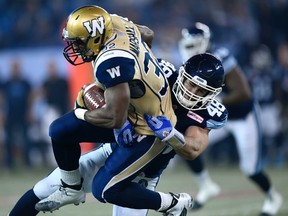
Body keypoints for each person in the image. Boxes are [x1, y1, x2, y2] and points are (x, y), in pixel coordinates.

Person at [9, 53, 228, 216]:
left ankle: (170, 203)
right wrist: (116, 118)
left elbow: (193, 148)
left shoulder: (205, 113)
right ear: (182, 74)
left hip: (142, 177)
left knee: (105, 190)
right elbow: (102, 90)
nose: (193, 92)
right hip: (115, 152)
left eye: (202, 91)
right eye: (191, 84)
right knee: (45, 188)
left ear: (213, 94)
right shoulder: (159, 76)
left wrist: (171, 134)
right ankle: (172, 203)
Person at [34, 5, 194, 216]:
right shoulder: (114, 22)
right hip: (132, 111)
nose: (75, 47)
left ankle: (172, 203)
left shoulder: (112, 60)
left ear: (95, 37)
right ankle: (71, 188)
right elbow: (147, 32)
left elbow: (115, 119)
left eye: (79, 42)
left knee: (103, 190)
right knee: (59, 130)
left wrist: (80, 110)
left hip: (148, 127)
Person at [178, 22, 283, 215]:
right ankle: (206, 185)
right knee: (185, 143)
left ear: (205, 42)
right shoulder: (192, 63)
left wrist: (215, 101)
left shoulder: (220, 57)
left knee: (250, 169)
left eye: (193, 44)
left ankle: (272, 197)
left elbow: (244, 92)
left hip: (243, 116)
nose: (189, 49)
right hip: (221, 119)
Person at [1, 59, 33, 169]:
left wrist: (29, 112)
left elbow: (30, 98)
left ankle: (27, 162)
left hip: (23, 114)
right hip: (10, 115)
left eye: (17, 67)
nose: (15, 69)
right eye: (13, 67)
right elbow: (2, 99)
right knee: (9, 140)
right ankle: (9, 163)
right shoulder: (6, 83)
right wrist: (2, 114)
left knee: (26, 139)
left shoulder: (25, 82)